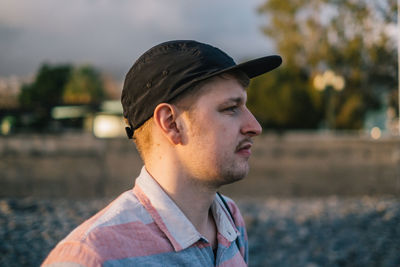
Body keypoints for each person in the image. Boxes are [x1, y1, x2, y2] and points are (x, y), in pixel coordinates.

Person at [42, 40, 281, 266]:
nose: (255, 126)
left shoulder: (230, 220)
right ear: (171, 123)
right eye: (231, 108)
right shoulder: (89, 257)